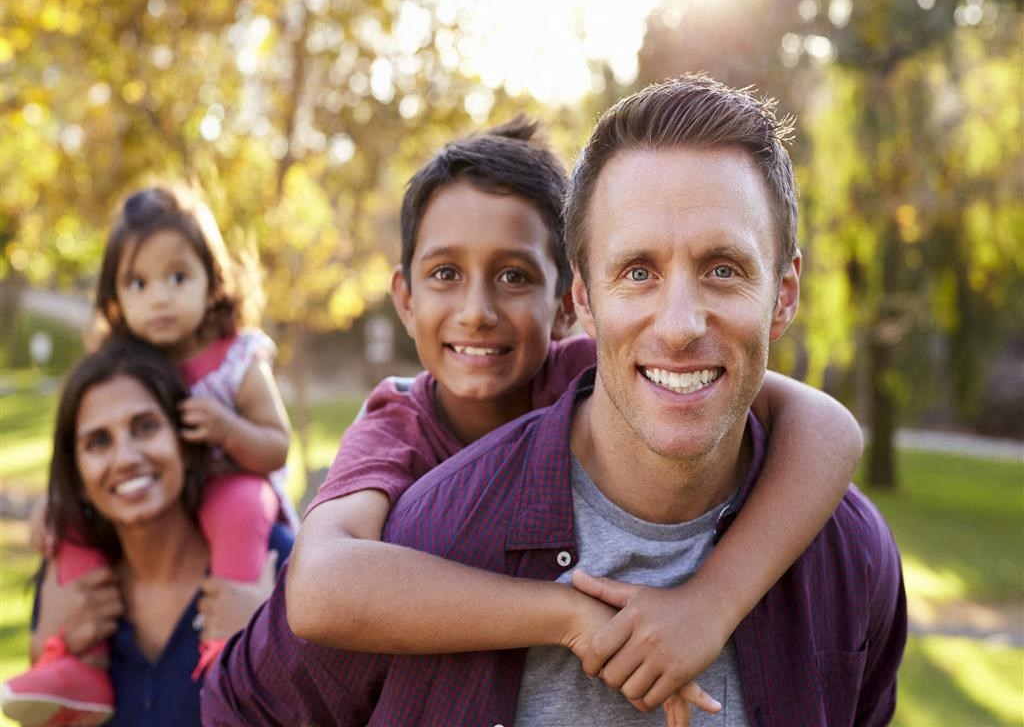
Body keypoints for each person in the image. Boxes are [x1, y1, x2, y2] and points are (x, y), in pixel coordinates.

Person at [203, 100, 896, 725]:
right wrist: (570, 616)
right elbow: (319, 593)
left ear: (567, 305)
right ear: (591, 300)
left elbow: (829, 426)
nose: (679, 325)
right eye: (638, 271)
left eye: (723, 268)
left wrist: (711, 602)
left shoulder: (841, 551)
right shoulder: (407, 465)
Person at [3, 185, 293, 724]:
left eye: (145, 426)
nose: (124, 457)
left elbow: (277, 444)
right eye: (97, 442)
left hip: (237, 496)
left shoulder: (280, 573)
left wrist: (268, 645)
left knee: (242, 503)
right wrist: (48, 638)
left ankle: (224, 652)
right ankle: (67, 666)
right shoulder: (74, 578)